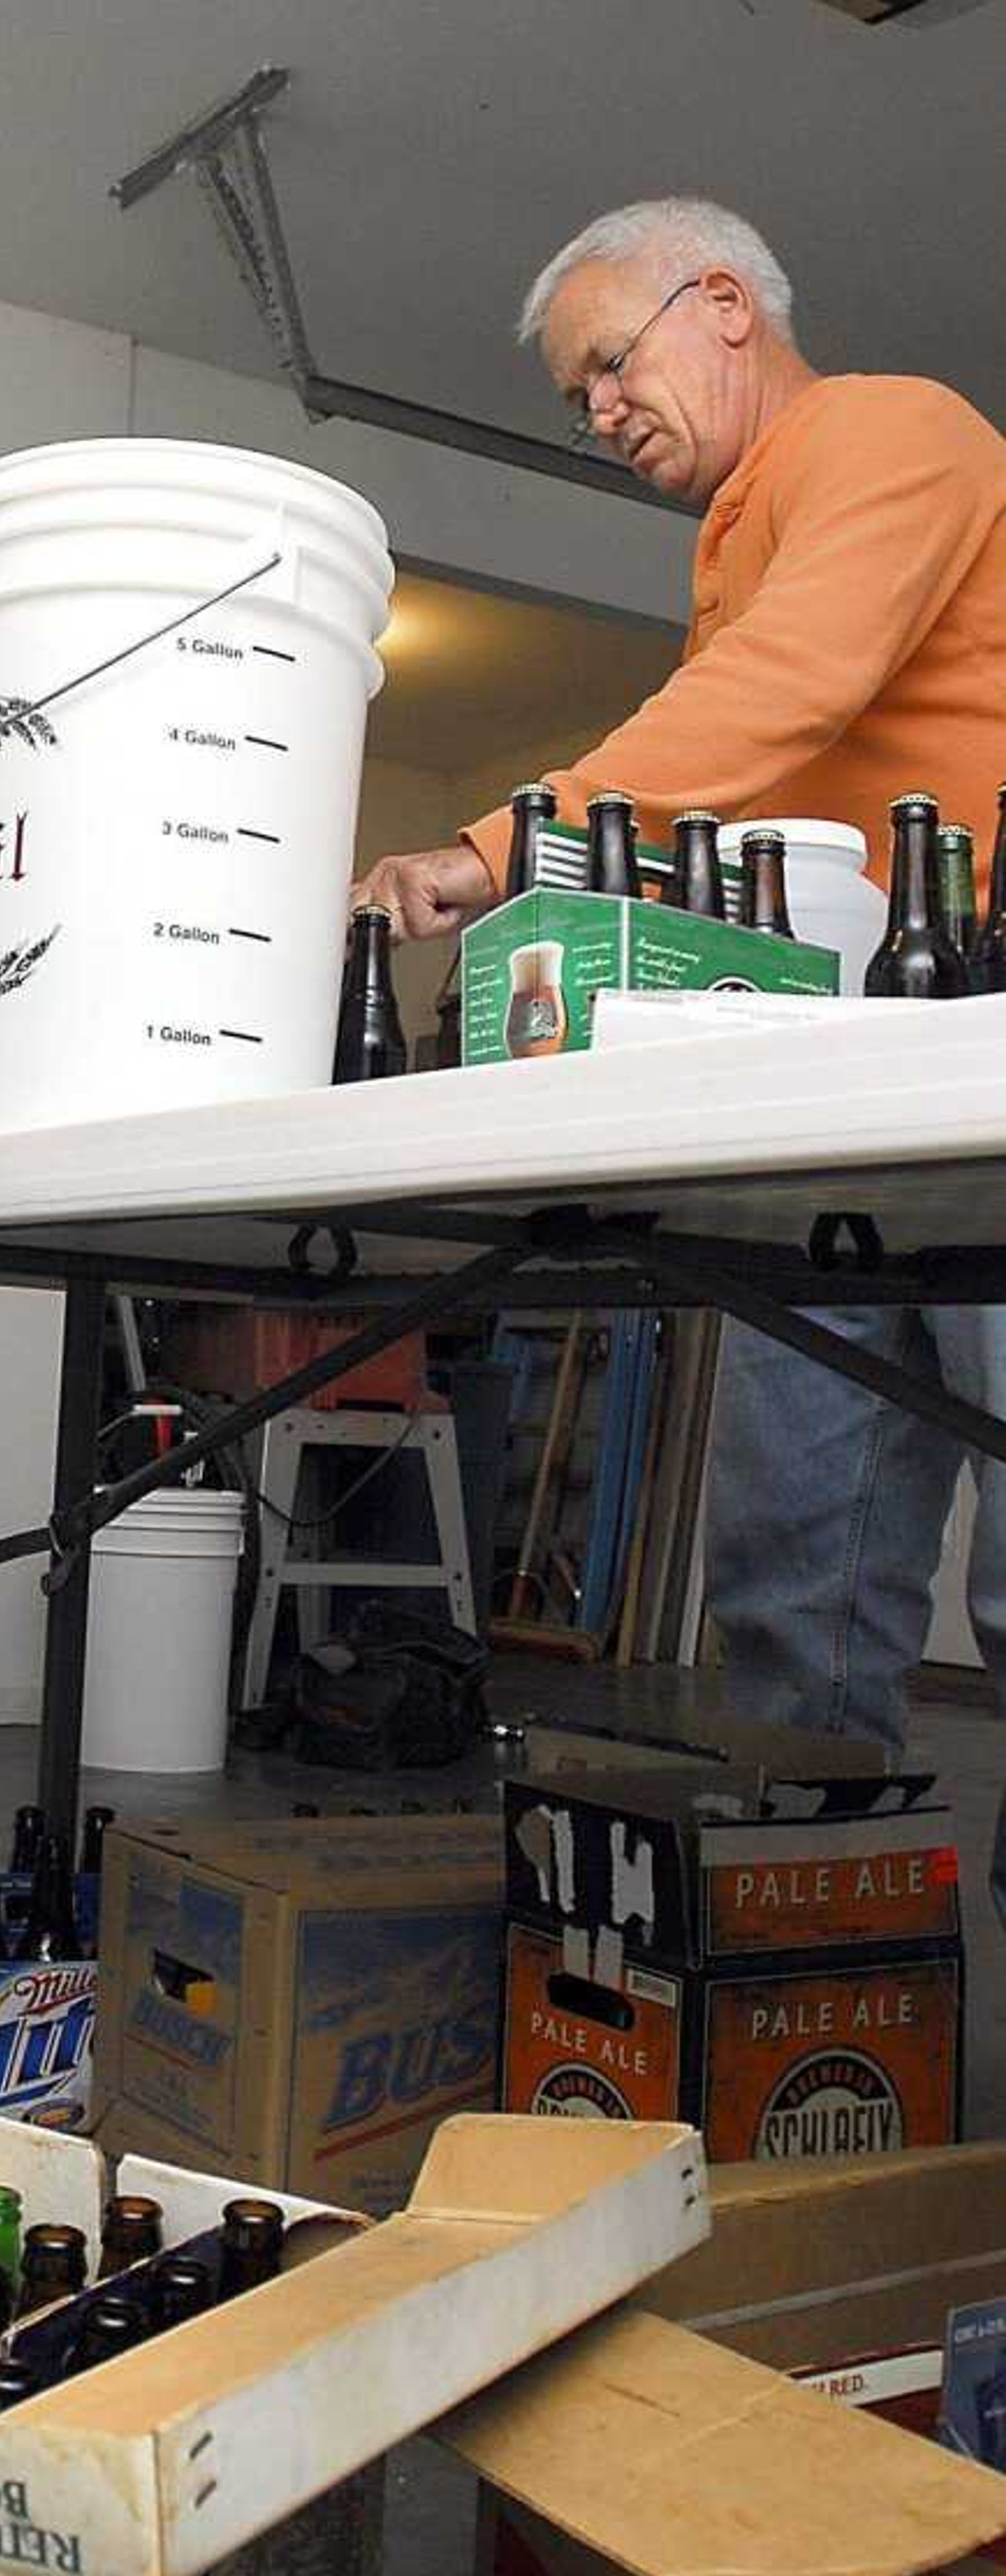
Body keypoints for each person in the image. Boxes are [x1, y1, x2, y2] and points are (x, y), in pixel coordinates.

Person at [354, 195, 1006, 1897]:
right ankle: (818, 1974)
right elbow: (740, 781)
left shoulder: (895, 434)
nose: (598, 412)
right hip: (829, 1075)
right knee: (796, 1569)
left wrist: (500, 849)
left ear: (721, 304)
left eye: (607, 367)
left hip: (986, 1036)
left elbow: (786, 692)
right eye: (578, 396)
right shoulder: (732, 542)